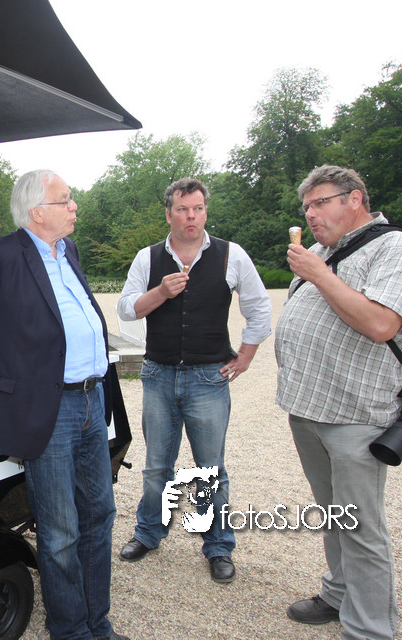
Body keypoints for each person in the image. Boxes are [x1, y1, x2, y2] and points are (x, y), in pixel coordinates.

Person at [0, 170, 128, 640]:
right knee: (61, 532)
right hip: (48, 411)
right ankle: (70, 631)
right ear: (37, 212)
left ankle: (97, 624)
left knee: (99, 516)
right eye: (66, 199)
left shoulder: (68, 250)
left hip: (92, 399)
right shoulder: (1, 256)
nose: (74, 206)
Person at [276, 165, 402, 640]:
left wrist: (319, 275)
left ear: (354, 199)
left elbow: (381, 324)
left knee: (362, 525)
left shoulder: (399, 249)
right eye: (306, 206)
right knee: (333, 514)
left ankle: (369, 629)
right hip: (309, 408)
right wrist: (317, 268)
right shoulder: (321, 252)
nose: (310, 214)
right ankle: (339, 593)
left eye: (320, 203)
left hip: (356, 412)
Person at [115, 177, 272, 583]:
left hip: (208, 378)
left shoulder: (230, 254)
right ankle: (149, 532)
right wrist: (160, 293)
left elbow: (259, 308)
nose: (191, 217)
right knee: (156, 467)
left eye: (198, 209)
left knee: (210, 468)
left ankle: (218, 544)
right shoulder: (148, 257)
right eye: (183, 209)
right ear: (168, 214)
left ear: (205, 212)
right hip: (159, 375)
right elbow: (127, 309)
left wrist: (246, 355)